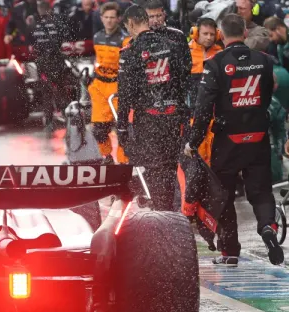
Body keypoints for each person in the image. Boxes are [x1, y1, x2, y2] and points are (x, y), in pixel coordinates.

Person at [185, 13, 284, 267]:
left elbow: (203, 107)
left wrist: (193, 142)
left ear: (220, 33)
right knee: (260, 191)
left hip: (227, 140)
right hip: (258, 136)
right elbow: (268, 95)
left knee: (224, 194)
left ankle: (229, 251)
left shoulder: (215, 62)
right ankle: (267, 226)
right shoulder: (264, 60)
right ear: (245, 32)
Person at [117, 5, 188, 211]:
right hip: (172, 115)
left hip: (148, 119)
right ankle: (170, 209)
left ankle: (162, 212)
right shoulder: (171, 45)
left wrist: (121, 125)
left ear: (131, 23)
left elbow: (125, 93)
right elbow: (182, 82)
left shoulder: (130, 51)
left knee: (153, 167)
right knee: (169, 166)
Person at [89, 1, 130, 164]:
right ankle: (107, 158)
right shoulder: (97, 36)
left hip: (117, 86)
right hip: (99, 86)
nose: (109, 20)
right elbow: (97, 59)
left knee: (122, 128)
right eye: (106, 17)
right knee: (99, 129)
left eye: (112, 17)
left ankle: (124, 161)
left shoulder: (125, 39)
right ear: (101, 18)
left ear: (118, 19)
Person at [29, 1, 73, 124]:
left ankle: (48, 117)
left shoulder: (35, 24)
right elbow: (65, 37)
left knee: (46, 90)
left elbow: (32, 42)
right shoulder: (57, 22)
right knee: (60, 87)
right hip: (56, 59)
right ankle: (64, 114)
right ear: (50, 9)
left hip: (43, 61)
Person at [142, 0, 192, 102]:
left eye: (158, 16)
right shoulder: (139, 38)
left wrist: (179, 86)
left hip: (174, 93)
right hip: (149, 95)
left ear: (164, 14)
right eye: (151, 17)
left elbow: (187, 64)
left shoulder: (178, 35)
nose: (155, 20)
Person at [188, 18, 223, 108]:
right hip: (192, 103)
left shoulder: (220, 52)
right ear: (196, 33)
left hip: (215, 102)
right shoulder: (186, 51)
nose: (209, 37)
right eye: (205, 34)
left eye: (212, 34)